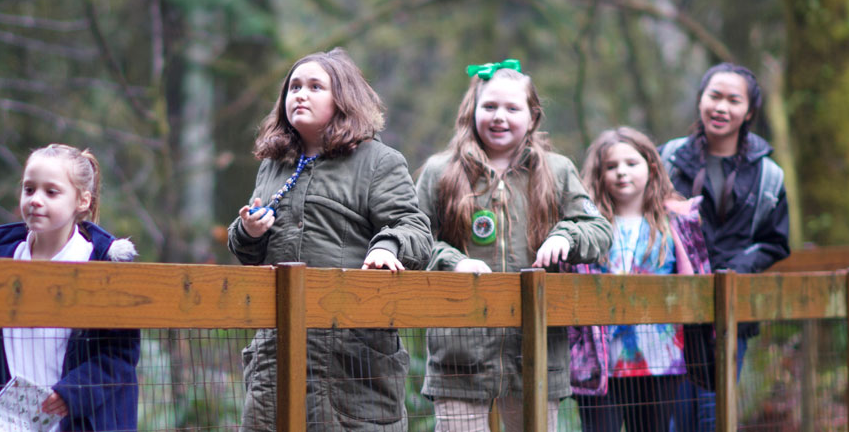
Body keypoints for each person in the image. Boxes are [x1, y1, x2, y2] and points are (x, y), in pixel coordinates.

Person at [229, 48, 433, 431]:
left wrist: (387, 247)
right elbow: (249, 253)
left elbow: (415, 228)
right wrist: (249, 231)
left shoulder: (378, 161)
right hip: (278, 349)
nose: (300, 95)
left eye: (314, 86)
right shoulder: (273, 164)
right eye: (294, 87)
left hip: (351, 353)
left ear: (343, 100)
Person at [414, 59, 611, 431]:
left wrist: (564, 235)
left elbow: (598, 229)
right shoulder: (441, 171)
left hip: (535, 349)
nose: (499, 117)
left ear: (533, 117)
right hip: (459, 351)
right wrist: (452, 261)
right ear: (472, 111)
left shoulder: (557, 170)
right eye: (489, 106)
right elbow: (413, 238)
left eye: (512, 108)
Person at [0, 144, 141, 431]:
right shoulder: (1, 255)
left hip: (80, 422)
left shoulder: (102, 264)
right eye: (29, 189)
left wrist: (72, 393)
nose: (35, 200)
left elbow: (119, 355)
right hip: (13, 422)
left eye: (51, 192)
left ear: (82, 201)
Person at [659, 63, 791, 431]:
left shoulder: (769, 174)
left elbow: (775, 242)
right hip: (670, 312)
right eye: (714, 96)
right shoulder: (665, 160)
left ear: (749, 112)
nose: (721, 107)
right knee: (673, 417)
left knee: (714, 417)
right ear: (700, 100)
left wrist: (732, 270)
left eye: (733, 100)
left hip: (730, 313)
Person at [568, 127, 710, 432]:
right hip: (600, 361)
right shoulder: (585, 226)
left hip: (661, 359)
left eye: (631, 164)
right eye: (611, 166)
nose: (621, 172)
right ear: (599, 173)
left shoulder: (675, 222)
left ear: (651, 167)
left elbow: (695, 280)